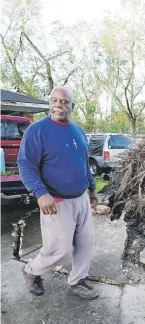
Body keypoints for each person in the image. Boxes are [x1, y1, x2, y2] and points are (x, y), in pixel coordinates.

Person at [17, 87, 99, 300]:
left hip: (80, 199)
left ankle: (78, 280)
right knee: (60, 249)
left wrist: (92, 188)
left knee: (85, 243)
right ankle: (32, 271)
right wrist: (40, 192)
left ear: (72, 105)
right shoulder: (37, 131)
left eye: (64, 101)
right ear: (50, 104)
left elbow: (84, 162)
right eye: (54, 100)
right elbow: (25, 164)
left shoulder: (78, 131)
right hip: (56, 201)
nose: (59, 105)